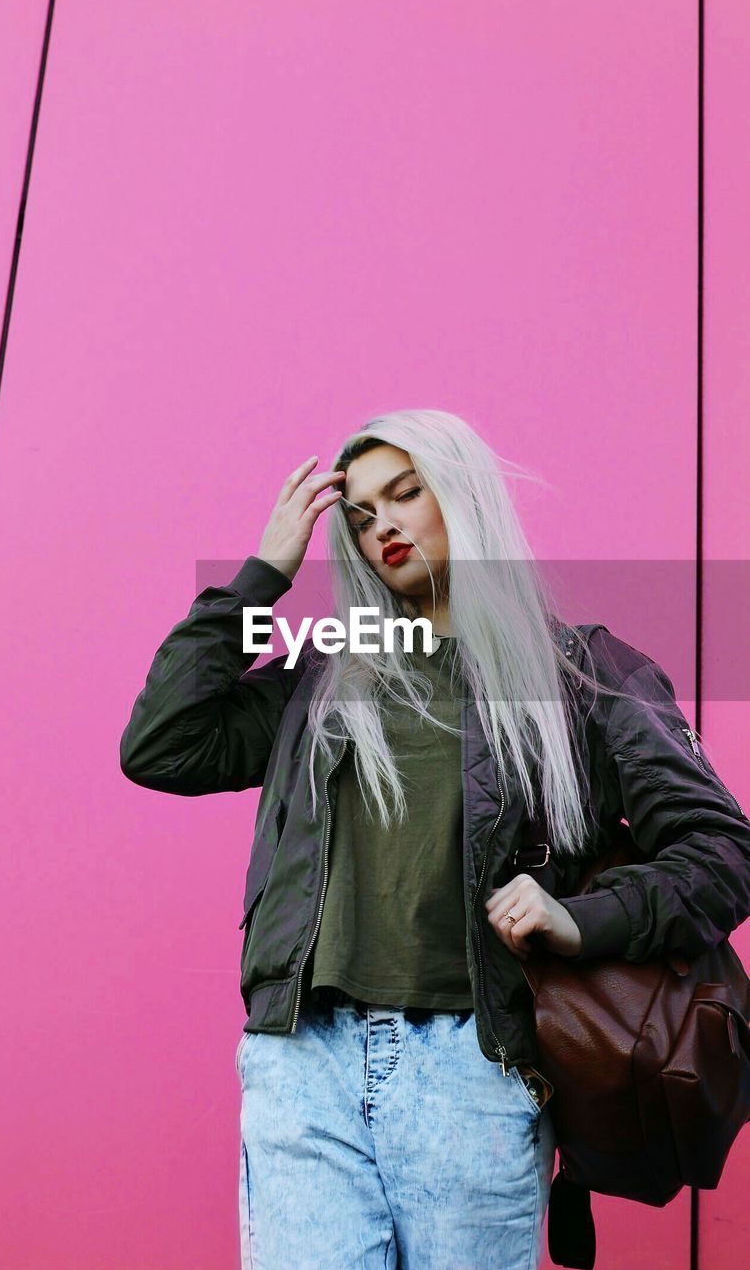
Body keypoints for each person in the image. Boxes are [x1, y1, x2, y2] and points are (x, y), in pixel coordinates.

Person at [120, 409, 750, 1269]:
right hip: (303, 1059)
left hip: (472, 1065)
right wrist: (262, 574)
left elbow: (720, 849)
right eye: (360, 513)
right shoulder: (326, 675)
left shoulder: (581, 673)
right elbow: (163, 745)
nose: (382, 524)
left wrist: (582, 918)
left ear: (464, 495)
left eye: (405, 493)